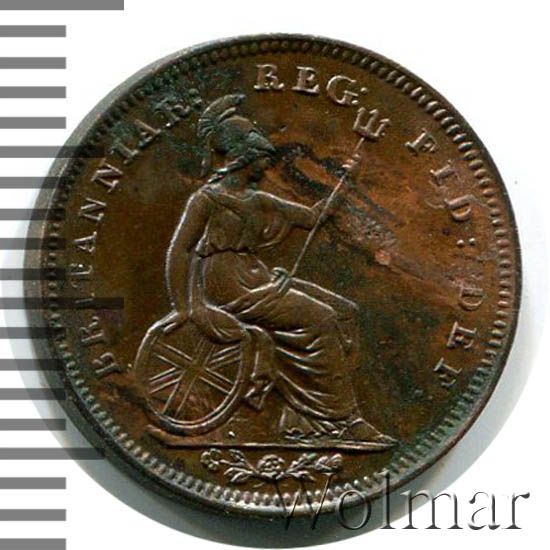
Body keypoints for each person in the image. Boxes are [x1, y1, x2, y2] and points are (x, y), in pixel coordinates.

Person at [164, 94, 395, 447]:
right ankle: (343, 420)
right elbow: (179, 250)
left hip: (254, 277)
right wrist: (184, 308)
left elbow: (313, 217)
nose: (266, 168)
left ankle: (304, 420)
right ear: (243, 159)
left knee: (344, 312)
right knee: (320, 318)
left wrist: (344, 182)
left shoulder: (259, 200)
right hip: (225, 285)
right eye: (261, 160)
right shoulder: (206, 200)